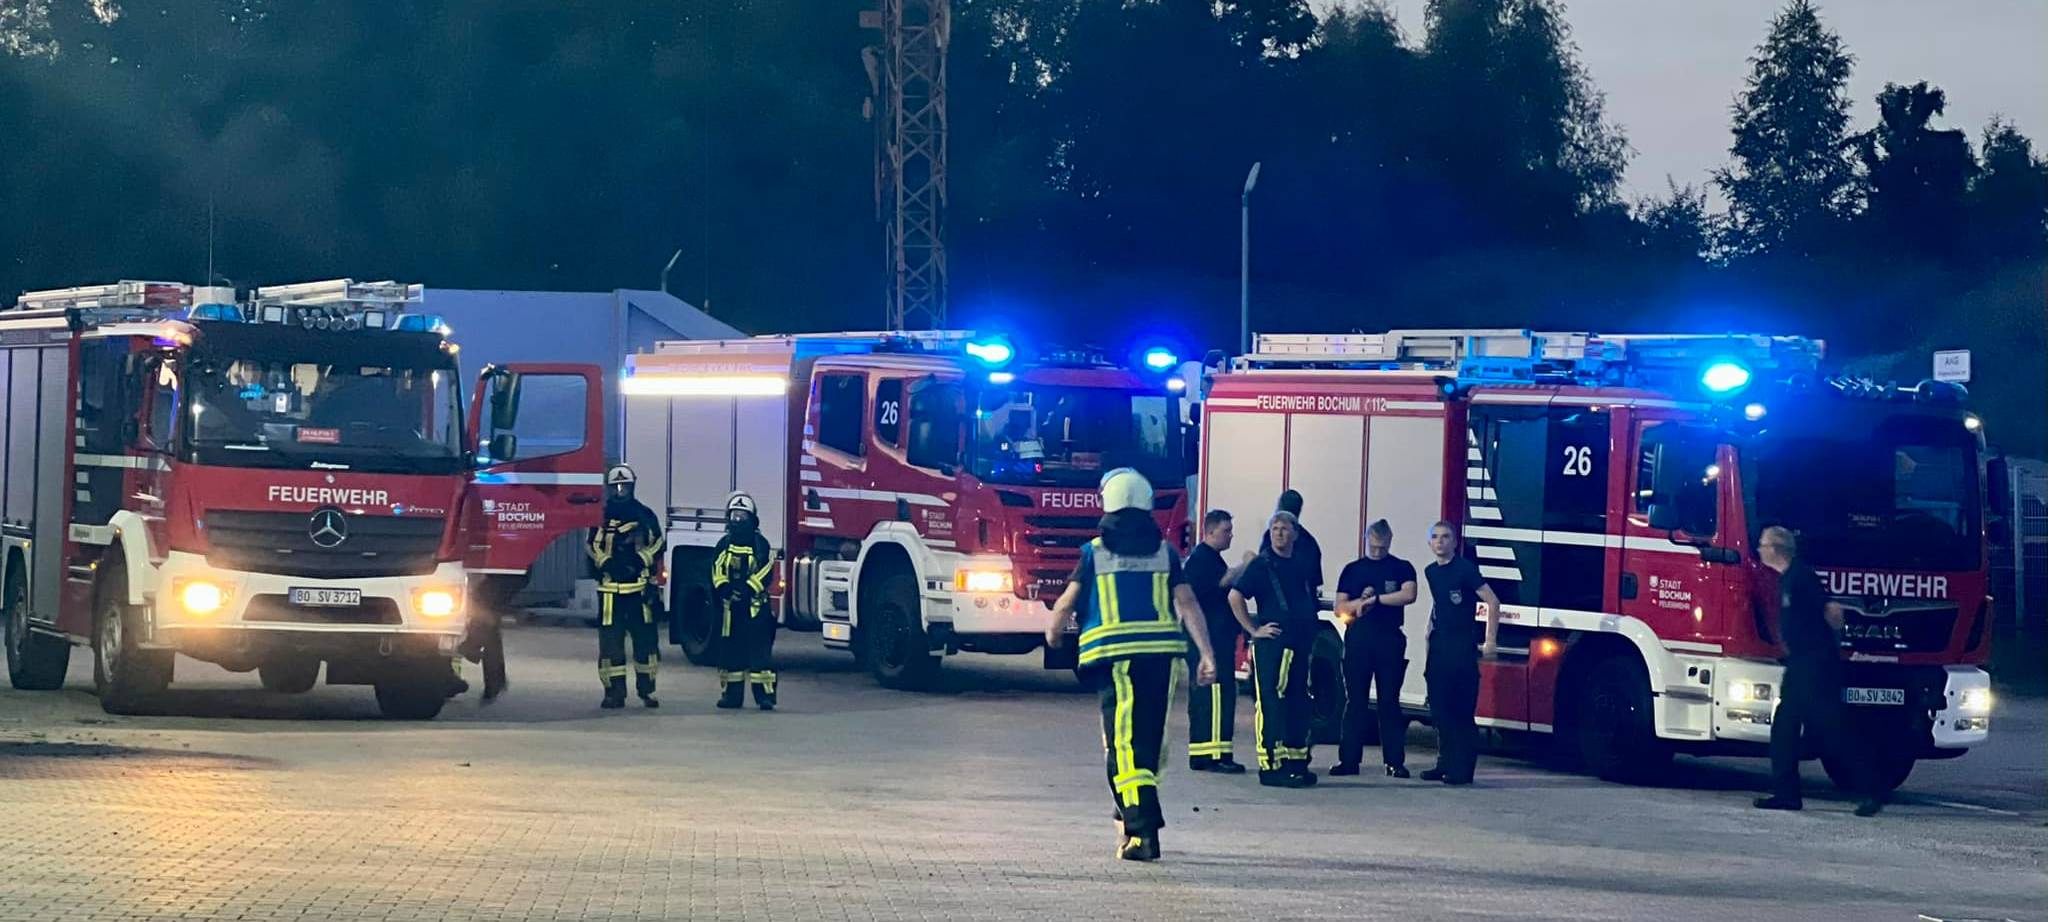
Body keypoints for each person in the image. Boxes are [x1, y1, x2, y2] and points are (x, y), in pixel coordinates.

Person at [1045, 468, 1218, 862]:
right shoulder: (1166, 553)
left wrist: (1053, 634)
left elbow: (1067, 603)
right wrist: (1206, 653)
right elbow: (1187, 603)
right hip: (1162, 660)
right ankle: (1129, 814)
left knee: (1123, 746)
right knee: (1150, 743)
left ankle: (1141, 830)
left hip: (1116, 659)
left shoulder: (1094, 553)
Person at [1753, 526, 1883, 817]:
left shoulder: (1801, 577)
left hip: (1815, 666)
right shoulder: (1788, 578)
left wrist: (1829, 630)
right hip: (1800, 664)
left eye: (1763, 545)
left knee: (1833, 730)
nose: (1759, 550)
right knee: (1784, 729)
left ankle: (1872, 788)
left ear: (1777, 549)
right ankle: (1786, 794)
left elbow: (1831, 609)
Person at [1230, 510, 1321, 788]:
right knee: (1271, 703)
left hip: (1299, 643)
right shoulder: (1262, 565)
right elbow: (1235, 596)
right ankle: (1271, 766)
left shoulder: (1301, 563)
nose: (1279, 534)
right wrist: (1254, 629)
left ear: (1295, 534)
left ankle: (1296, 762)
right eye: (1275, 529)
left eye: (1284, 529)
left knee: (1298, 702)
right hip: (1274, 646)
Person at [1332, 519, 1419, 778]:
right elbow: (1340, 607)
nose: (1378, 550)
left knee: (1389, 703)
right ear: (1366, 539)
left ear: (1390, 541)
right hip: (1359, 640)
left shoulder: (1401, 567)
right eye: (1374, 546)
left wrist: (1377, 600)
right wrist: (1361, 603)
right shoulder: (1353, 570)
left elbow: (1409, 594)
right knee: (1355, 703)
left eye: (1383, 546)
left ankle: (1394, 762)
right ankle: (1349, 761)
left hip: (1389, 640)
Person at [1420, 521, 1499, 785]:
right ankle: (1444, 763)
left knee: (1461, 711)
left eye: (1445, 537)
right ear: (1429, 543)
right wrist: (1428, 637)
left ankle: (1463, 770)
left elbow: (1492, 601)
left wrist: (1490, 640)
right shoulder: (1431, 572)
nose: (1440, 541)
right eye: (1435, 537)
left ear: (1454, 542)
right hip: (1439, 646)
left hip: (1462, 647)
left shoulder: (1465, 570)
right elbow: (1438, 606)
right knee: (1440, 709)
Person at [1183, 509, 1256, 774]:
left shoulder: (1210, 558)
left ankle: (1212, 753)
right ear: (1210, 531)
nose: (1230, 535)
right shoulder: (1202, 560)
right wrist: (1246, 564)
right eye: (1226, 531)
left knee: (1217, 695)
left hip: (1216, 639)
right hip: (1209, 641)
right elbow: (1224, 581)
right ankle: (1213, 756)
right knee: (1213, 697)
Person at [589, 463, 665, 710]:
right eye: (616, 487)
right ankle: (614, 693)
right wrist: (608, 563)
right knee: (610, 647)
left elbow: (657, 543)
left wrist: (639, 561)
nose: (620, 492)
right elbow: (591, 545)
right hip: (610, 592)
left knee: (646, 644)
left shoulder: (644, 515)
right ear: (609, 489)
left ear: (633, 487)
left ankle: (647, 690)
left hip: (639, 591)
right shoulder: (600, 516)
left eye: (625, 487)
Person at [711, 491, 778, 710]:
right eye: (734, 516)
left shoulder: (760, 544)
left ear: (752, 519)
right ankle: (732, 696)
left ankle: (765, 697)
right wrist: (725, 589)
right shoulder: (724, 544)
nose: (738, 520)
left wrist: (748, 589)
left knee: (760, 655)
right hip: (731, 610)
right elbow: (716, 569)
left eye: (742, 516)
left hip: (755, 609)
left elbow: (766, 569)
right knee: (730, 653)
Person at [1258, 489, 1324, 598]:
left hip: (1276, 602)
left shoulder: (1271, 537)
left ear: (1279, 507)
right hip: (1306, 603)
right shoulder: (1311, 543)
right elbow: (1314, 581)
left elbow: (1262, 571)